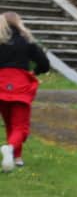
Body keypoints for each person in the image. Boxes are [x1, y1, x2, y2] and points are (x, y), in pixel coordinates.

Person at [0, 11, 50, 173]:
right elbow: (44, 64)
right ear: (18, 23)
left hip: (1, 85)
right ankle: (11, 149)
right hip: (20, 86)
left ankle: (17, 158)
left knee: (10, 124)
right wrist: (34, 73)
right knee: (21, 127)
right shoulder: (27, 41)